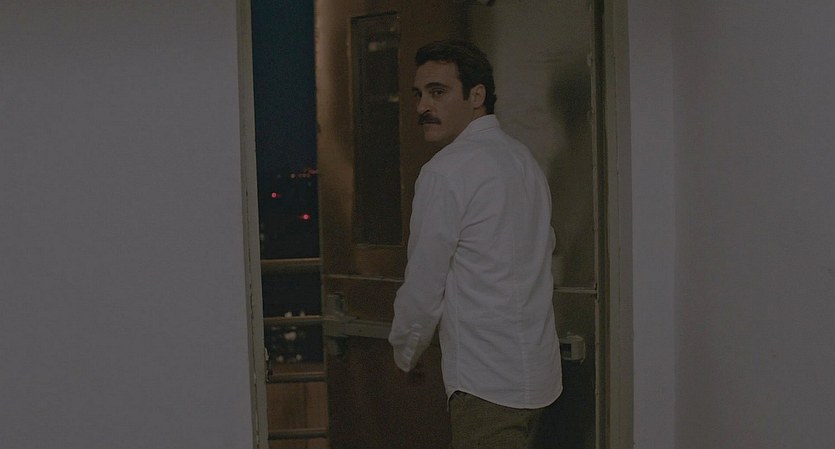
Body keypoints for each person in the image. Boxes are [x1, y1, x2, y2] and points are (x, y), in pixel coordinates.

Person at [388, 39, 562, 449]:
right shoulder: (523, 161)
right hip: (538, 379)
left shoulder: (446, 172)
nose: (423, 106)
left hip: (487, 385)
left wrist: (407, 352)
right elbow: (542, 251)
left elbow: (424, 284)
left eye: (438, 91)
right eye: (418, 94)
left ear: (477, 96)